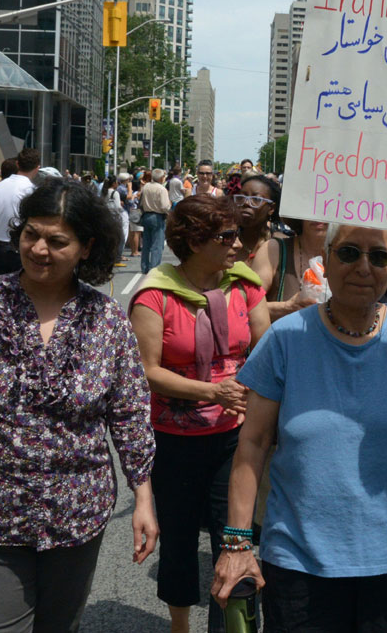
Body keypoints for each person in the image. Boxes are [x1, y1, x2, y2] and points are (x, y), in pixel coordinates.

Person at [0, 178, 157, 632]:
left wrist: (143, 497)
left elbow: (129, 414)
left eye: (57, 241)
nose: (39, 249)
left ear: (85, 247)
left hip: (76, 513)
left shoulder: (107, 319)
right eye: (30, 234)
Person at [211, 225, 387, 629]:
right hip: (300, 567)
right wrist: (236, 545)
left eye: (378, 257)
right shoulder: (285, 339)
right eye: (348, 253)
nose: (363, 266)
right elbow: (253, 444)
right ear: (325, 261)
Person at [129, 195, 270, 633]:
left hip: (235, 437)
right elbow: (148, 372)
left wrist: (248, 388)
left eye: (239, 235)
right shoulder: (154, 295)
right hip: (172, 440)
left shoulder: (245, 286)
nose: (239, 246)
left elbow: (266, 350)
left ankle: (228, 627)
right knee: (179, 545)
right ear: (193, 241)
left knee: (236, 539)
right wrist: (213, 390)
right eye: (227, 237)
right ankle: (179, 625)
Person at [250, 218, 325, 321]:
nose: (319, 215)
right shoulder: (273, 249)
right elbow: (245, 306)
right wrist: (287, 307)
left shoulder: (350, 260)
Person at [0, 147, 40, 275]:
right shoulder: (32, 190)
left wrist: (1, 224)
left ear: (17, 164)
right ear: (37, 168)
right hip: (20, 246)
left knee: (0, 289)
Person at [234, 174, 281, 264]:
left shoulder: (280, 245)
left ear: (271, 208)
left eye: (256, 199)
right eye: (241, 198)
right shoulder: (227, 242)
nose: (246, 203)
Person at [139, 169, 172, 273]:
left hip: (146, 215)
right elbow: (164, 206)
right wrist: (169, 209)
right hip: (157, 216)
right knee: (157, 245)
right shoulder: (162, 189)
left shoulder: (146, 187)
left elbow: (140, 202)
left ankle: (144, 267)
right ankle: (154, 268)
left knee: (146, 244)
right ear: (161, 178)